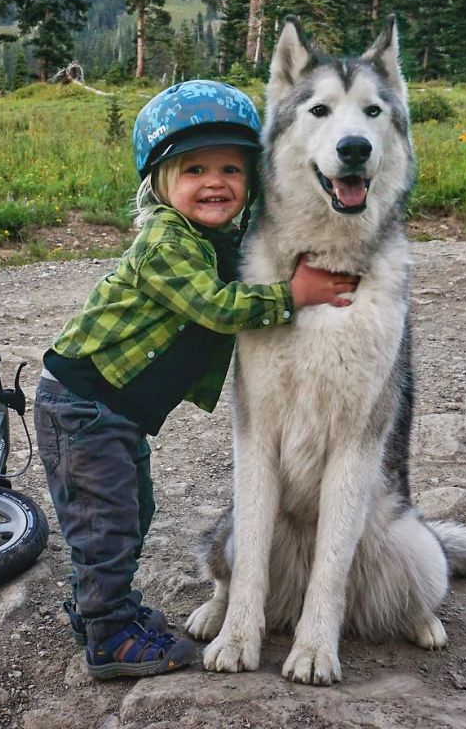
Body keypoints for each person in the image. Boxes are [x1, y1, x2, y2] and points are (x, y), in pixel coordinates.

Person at [33, 80, 358, 680]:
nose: (216, 182)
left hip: (113, 413)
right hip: (80, 404)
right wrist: (291, 295)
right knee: (105, 521)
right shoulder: (165, 241)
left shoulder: (221, 237)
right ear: (158, 183)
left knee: (130, 512)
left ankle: (101, 606)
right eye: (194, 169)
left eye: (232, 168)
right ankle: (108, 639)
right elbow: (215, 306)